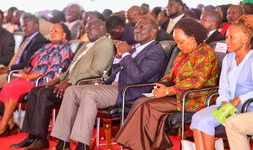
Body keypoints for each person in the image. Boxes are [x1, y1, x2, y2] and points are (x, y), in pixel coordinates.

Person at [50, 16, 166, 150]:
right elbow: (116, 72)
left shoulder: (155, 51)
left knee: (89, 93)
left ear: (153, 32)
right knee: (72, 91)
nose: (137, 30)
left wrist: (126, 54)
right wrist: (118, 57)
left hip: (129, 91)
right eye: (136, 27)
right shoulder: (135, 48)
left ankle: (82, 145)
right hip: (115, 86)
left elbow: (138, 77)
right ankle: (63, 143)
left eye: (142, 27)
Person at [10, 19, 114, 150]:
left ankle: (42, 139)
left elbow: (96, 71)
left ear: (101, 28)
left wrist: (69, 82)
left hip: (83, 86)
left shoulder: (105, 43)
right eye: (86, 28)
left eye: (91, 28)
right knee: (35, 91)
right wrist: (58, 79)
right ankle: (32, 136)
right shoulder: (87, 44)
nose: (87, 30)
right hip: (70, 82)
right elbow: (71, 68)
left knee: (44, 94)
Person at [115, 18, 218, 150]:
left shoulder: (205, 53)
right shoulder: (183, 53)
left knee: (147, 106)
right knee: (141, 102)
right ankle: (146, 146)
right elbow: (171, 74)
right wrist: (162, 85)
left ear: (192, 38)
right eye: (177, 43)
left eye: (181, 42)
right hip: (177, 95)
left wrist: (168, 91)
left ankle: (138, 146)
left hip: (194, 98)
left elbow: (196, 82)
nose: (179, 46)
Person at [0, 23, 73, 137]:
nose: (52, 33)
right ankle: (11, 123)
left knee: (13, 89)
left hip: (43, 81)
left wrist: (31, 77)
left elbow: (53, 71)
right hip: (31, 77)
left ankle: (4, 124)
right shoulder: (47, 46)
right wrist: (26, 71)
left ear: (64, 35)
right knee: (6, 87)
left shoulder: (64, 49)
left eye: (56, 31)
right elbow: (32, 62)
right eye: (51, 31)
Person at [190, 15, 253, 150]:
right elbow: (223, 88)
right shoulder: (228, 59)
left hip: (249, 107)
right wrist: (223, 101)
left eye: (231, 37)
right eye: (226, 37)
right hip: (229, 106)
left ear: (245, 39)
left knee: (207, 120)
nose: (226, 41)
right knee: (198, 118)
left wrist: (239, 99)